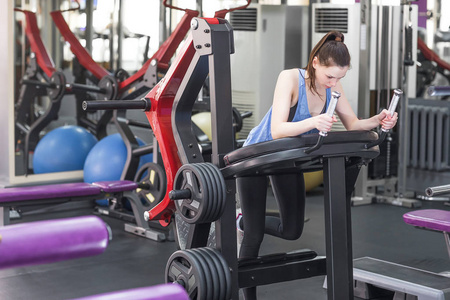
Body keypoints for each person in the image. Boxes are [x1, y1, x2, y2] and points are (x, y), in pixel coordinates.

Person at [236, 30, 398, 299]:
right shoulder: (289, 78)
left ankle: (241, 221)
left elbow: (354, 125)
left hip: (289, 159)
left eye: (340, 78)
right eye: (329, 76)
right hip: (256, 156)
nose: (333, 83)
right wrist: (314, 122)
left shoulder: (332, 86)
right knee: (254, 235)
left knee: (292, 230)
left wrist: (379, 119)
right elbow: (278, 130)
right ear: (314, 64)